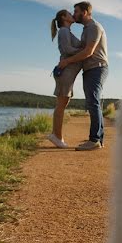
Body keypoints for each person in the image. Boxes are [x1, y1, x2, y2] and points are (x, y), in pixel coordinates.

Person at [58, 1, 109, 151]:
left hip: (97, 68)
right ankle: (98, 139)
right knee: (93, 102)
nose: (74, 14)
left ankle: (94, 140)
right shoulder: (87, 29)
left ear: (85, 12)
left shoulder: (94, 27)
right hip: (90, 69)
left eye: (76, 11)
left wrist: (66, 61)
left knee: (93, 101)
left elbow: (88, 52)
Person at [47, 9, 83, 148]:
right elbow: (66, 50)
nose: (72, 15)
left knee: (62, 104)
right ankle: (57, 137)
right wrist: (85, 50)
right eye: (69, 14)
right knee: (61, 105)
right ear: (64, 17)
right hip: (65, 72)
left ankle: (55, 135)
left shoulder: (66, 31)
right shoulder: (63, 31)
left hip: (68, 72)